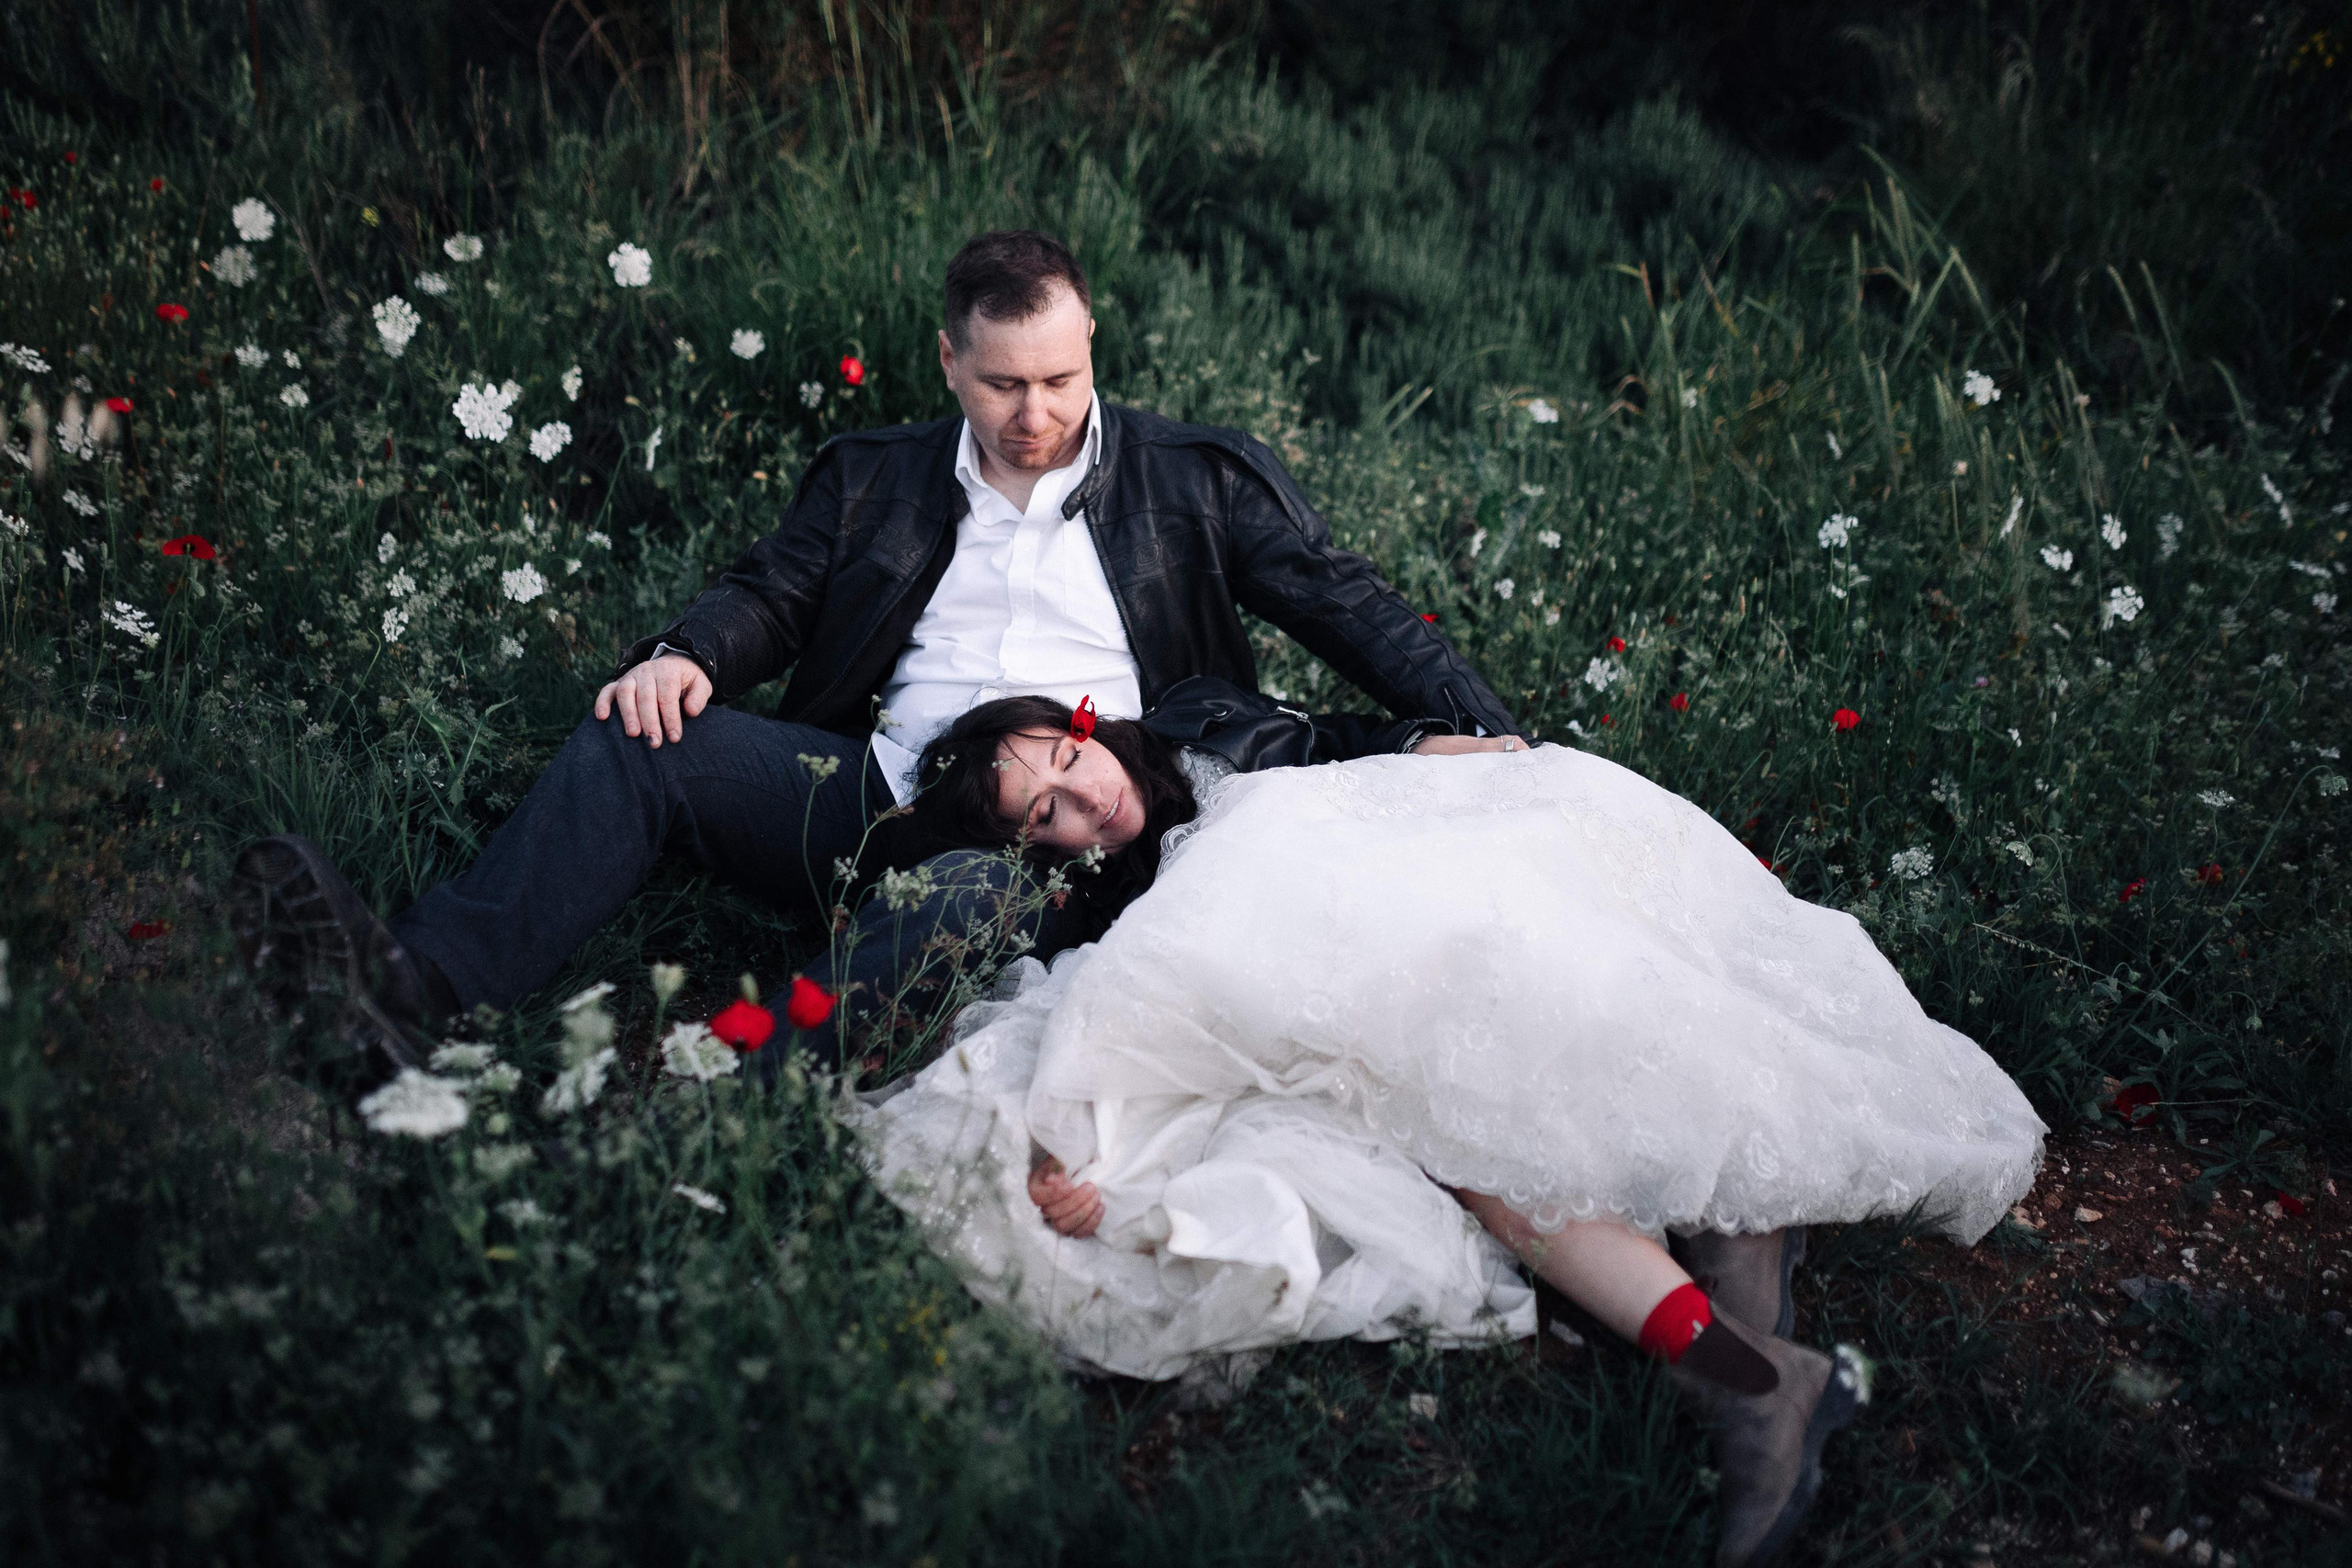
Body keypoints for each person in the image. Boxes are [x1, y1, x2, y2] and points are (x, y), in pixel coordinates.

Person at [230, 229, 1521, 1088]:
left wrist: (1494, 733)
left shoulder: (1193, 479)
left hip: (1058, 821)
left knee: (969, 899)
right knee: (642, 739)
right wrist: (688, 655)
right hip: (869, 786)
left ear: (1092, 352)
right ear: (951, 363)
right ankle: (408, 991)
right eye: (1004, 384)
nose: (1038, 416)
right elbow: (773, 594)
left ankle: (744, 1092)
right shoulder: (876, 478)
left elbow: (1350, 606)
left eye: (1063, 381)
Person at [856, 688, 2048, 1568]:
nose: (1083, 796)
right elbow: (1130, 1015)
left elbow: (1339, 744)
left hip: (1414, 892)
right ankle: (1750, 1370)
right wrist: (1069, 1143)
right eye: (1048, 812)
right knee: (1483, 1148)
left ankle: (1740, 1216)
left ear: (1086, 722)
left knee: (1553, 1004)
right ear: (1035, 846)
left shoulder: (1198, 727)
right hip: (1355, 1005)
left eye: (1068, 759)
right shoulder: (1108, 910)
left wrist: (1442, 745)